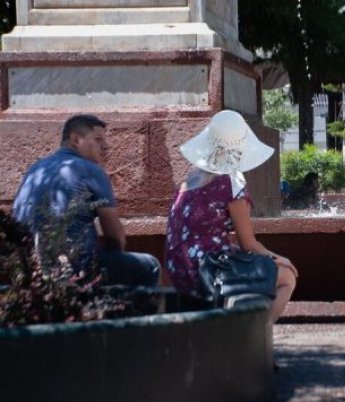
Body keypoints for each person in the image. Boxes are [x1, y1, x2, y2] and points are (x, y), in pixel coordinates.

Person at [165, 110, 298, 322]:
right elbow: (249, 244)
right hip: (207, 274)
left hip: (179, 271)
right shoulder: (231, 181)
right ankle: (257, 336)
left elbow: (198, 234)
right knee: (287, 276)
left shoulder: (191, 178)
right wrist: (281, 259)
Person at [12, 114, 161, 286]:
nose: (105, 146)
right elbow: (114, 237)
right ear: (76, 139)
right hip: (76, 268)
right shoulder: (92, 171)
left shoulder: (35, 169)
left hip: (29, 267)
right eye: (98, 139)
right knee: (151, 266)